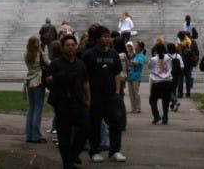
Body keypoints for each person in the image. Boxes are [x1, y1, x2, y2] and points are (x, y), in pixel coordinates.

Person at [81, 25, 126, 162]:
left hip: (111, 95)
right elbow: (85, 78)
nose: (107, 39)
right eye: (104, 37)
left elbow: (117, 74)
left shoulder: (113, 54)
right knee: (94, 124)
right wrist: (87, 97)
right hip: (95, 96)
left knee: (116, 123)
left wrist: (117, 92)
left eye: (108, 36)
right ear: (97, 39)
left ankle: (115, 151)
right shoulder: (89, 55)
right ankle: (94, 151)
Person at [47, 33, 91, 169]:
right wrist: (58, 77)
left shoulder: (80, 63)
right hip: (62, 103)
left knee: (86, 127)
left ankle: (74, 153)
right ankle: (67, 163)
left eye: (73, 45)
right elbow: (48, 81)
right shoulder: (56, 64)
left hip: (78, 101)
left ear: (77, 47)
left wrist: (88, 99)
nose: (70, 48)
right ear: (62, 48)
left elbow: (85, 82)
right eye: (67, 45)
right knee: (64, 134)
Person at [23, 35, 48, 143]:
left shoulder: (26, 54)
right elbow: (47, 63)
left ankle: (29, 134)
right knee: (38, 108)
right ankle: (36, 135)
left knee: (31, 108)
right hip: (38, 80)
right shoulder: (40, 54)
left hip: (29, 80)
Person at [148, 40, 174, 124]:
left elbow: (150, 67)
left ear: (156, 50)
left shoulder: (153, 59)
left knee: (153, 100)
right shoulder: (169, 58)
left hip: (157, 81)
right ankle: (165, 118)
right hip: (167, 81)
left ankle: (156, 116)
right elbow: (171, 68)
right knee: (166, 101)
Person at [126, 41, 145, 114]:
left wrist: (130, 61)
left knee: (136, 93)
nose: (135, 47)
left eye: (136, 46)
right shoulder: (133, 55)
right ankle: (133, 108)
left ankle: (138, 107)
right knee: (131, 93)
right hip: (130, 75)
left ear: (140, 48)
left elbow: (138, 63)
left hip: (136, 76)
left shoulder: (141, 55)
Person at [177, 30, 198, 96]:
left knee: (180, 78)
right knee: (188, 77)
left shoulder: (179, 43)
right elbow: (196, 51)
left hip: (181, 63)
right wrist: (195, 59)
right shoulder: (192, 42)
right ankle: (188, 92)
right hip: (189, 62)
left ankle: (180, 93)